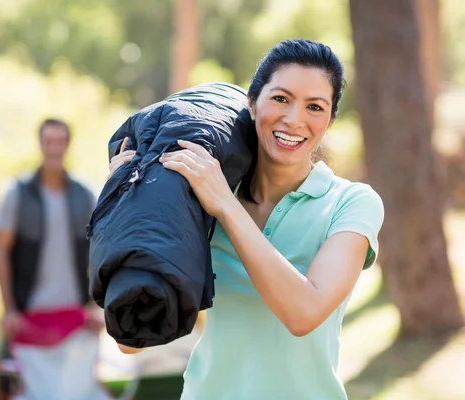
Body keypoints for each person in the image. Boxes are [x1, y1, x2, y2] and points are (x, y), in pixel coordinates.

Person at [111, 39, 384, 399]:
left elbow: (304, 313)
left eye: (315, 106)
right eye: (281, 98)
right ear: (252, 104)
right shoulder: (201, 197)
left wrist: (226, 205)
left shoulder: (351, 203)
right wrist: (126, 209)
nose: (294, 119)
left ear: (329, 121)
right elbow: (131, 342)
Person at [0, 118, 104, 399]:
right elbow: (2, 253)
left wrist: (96, 304)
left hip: (75, 317)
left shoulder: (85, 194)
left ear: (68, 145)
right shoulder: (17, 194)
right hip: (30, 316)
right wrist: (9, 310)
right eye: (49, 142)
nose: (54, 149)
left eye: (60, 142)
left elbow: (100, 251)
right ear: (40, 145)